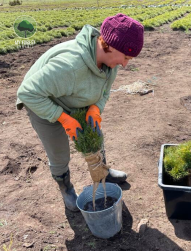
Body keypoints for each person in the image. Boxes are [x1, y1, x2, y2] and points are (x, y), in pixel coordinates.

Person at [16, 13, 144, 212]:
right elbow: (27, 93)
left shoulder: (110, 63)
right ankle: (65, 188)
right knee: (59, 154)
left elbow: (104, 91)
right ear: (109, 45)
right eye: (125, 57)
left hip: (75, 96)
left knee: (94, 135)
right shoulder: (70, 66)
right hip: (43, 101)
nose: (125, 64)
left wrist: (95, 108)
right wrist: (64, 118)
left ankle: (103, 172)